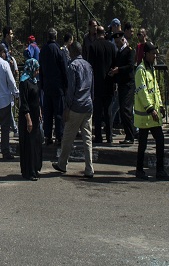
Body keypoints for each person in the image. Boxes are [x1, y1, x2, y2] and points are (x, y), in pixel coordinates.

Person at [52, 43, 95, 179]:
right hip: (88, 105)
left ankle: (62, 163)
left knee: (68, 137)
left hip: (76, 106)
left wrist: (67, 107)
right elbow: (91, 87)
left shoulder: (72, 66)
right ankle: (89, 168)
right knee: (87, 139)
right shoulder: (88, 65)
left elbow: (71, 89)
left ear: (73, 51)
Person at [133, 43, 169, 181]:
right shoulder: (141, 71)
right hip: (145, 116)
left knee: (160, 141)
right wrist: (150, 108)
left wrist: (160, 105)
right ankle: (139, 170)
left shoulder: (151, 69)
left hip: (153, 115)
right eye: (153, 53)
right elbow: (142, 92)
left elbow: (156, 90)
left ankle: (160, 170)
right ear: (146, 54)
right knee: (142, 144)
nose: (155, 56)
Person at [86, 21, 117, 145]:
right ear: (104, 33)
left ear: (96, 33)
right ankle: (109, 136)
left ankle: (98, 136)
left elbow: (90, 66)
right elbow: (114, 64)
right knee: (108, 111)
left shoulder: (93, 47)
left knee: (97, 112)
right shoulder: (111, 46)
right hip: (109, 82)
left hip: (97, 84)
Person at [40, 28, 68, 146]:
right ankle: (59, 135)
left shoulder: (43, 50)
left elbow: (40, 68)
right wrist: (66, 85)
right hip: (58, 86)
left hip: (47, 86)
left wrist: (42, 84)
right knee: (58, 112)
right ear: (55, 37)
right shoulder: (59, 50)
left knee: (48, 112)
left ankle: (47, 136)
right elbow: (64, 68)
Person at [17, 58, 43, 180]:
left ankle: (36, 168)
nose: (37, 72)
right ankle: (29, 171)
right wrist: (28, 119)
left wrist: (40, 111)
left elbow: (37, 99)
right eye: (36, 69)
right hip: (28, 118)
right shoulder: (24, 82)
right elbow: (24, 103)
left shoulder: (34, 81)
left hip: (36, 116)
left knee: (36, 143)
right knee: (29, 145)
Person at [113, 23, 136, 145]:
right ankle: (128, 134)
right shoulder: (119, 52)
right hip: (121, 83)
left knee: (126, 109)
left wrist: (119, 70)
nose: (117, 44)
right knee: (122, 110)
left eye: (118, 41)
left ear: (122, 40)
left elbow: (130, 66)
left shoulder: (129, 51)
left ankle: (130, 135)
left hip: (128, 84)